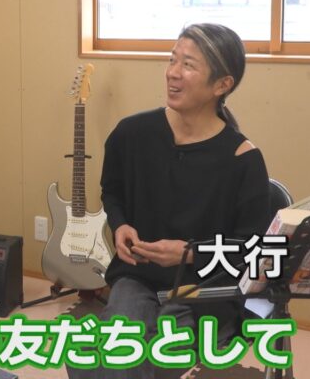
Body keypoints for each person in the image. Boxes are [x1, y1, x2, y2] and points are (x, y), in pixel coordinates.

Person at [92, 23, 271, 379]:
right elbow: (112, 190)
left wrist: (190, 253)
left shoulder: (243, 158)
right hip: (139, 277)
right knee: (116, 352)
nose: (173, 72)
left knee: (155, 358)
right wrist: (120, 224)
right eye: (172, 60)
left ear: (222, 84)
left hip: (207, 287)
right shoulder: (131, 134)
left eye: (188, 65)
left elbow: (251, 247)